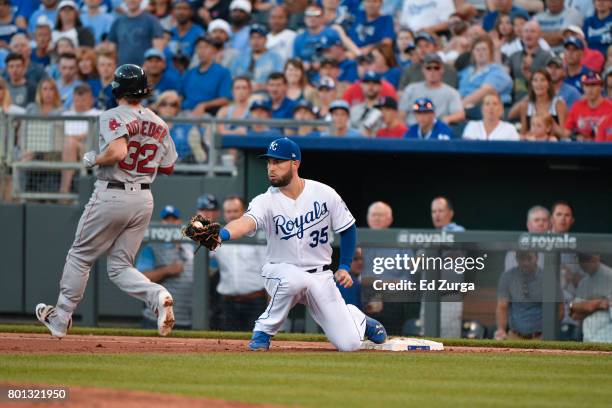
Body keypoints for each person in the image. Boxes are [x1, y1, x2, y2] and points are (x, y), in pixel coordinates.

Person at [35, 64, 179, 339]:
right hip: (144, 198)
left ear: (117, 90)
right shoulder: (159, 122)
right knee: (120, 266)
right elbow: (169, 166)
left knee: (81, 255)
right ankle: (157, 295)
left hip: (113, 192)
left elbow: (118, 151)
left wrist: (94, 159)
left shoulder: (112, 115)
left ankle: (61, 316)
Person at [211, 137, 387, 351]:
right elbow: (246, 223)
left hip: (320, 276)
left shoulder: (324, 193)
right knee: (294, 280)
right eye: (269, 162)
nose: (271, 168)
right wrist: (223, 233)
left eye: (278, 162)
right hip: (279, 270)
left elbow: (347, 228)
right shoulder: (264, 201)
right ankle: (263, 332)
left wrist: (344, 266)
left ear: (295, 164)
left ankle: (357, 318)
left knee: (349, 345)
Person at [213, 195, 267, 331]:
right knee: (227, 346)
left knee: (256, 343)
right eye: (228, 212)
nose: (232, 215)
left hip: (255, 301)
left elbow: (268, 270)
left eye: (235, 211)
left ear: (244, 212)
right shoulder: (217, 236)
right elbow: (207, 264)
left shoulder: (257, 235)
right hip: (228, 302)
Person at [136, 205, 194, 330]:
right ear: (161, 223)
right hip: (156, 318)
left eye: (174, 219)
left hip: (186, 319)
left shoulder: (190, 247)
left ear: (180, 222)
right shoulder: (151, 248)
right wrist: (167, 271)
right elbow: (141, 279)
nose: (171, 223)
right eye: (167, 219)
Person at [495, 251, 563, 340]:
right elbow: (502, 306)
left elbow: (560, 310)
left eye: (529, 258)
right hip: (514, 335)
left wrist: (549, 333)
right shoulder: (508, 277)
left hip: (541, 337)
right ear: (516, 259)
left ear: (537, 258)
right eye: (522, 258)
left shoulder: (548, 278)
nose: (525, 263)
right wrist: (501, 330)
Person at [399, 53, 464, 126]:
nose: (432, 71)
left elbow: (460, 114)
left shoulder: (451, 92)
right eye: (428, 68)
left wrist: (446, 119)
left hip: (436, 131)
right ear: (423, 70)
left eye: (436, 68)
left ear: (442, 70)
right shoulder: (411, 88)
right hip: (412, 130)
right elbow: (401, 114)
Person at [59, 83, 102, 194]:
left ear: (91, 100)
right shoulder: (66, 115)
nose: (80, 103)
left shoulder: (98, 114)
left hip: (90, 149)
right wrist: (74, 139)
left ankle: (64, 190)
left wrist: (75, 138)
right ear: (73, 99)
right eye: (77, 100)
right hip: (67, 149)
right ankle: (65, 190)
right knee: (69, 143)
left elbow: (95, 134)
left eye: (84, 100)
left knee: (70, 142)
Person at [459, 35, 513, 113]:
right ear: (473, 52)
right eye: (477, 50)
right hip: (464, 110)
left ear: (490, 52)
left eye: (484, 49)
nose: (480, 53)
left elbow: (485, 92)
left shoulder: (497, 71)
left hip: (484, 111)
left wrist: (457, 107)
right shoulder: (467, 71)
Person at [181, 35, 232, 116]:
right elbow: (180, 95)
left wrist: (204, 105)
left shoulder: (223, 72)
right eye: (199, 47)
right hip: (185, 113)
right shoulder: (189, 73)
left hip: (208, 116)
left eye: (206, 47)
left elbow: (225, 99)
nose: (202, 51)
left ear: (214, 50)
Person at [107, 0, 164, 66]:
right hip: (123, 71)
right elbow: (112, 50)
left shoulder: (151, 21)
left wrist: (148, 68)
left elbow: (158, 50)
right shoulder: (117, 22)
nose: (132, 1)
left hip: (145, 72)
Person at [571, 253, 612, 343]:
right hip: (587, 338)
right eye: (580, 259)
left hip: (607, 339)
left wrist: (587, 306)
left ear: (596, 257)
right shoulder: (583, 282)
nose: (583, 263)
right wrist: (598, 303)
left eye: (586, 259)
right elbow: (574, 313)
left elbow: (606, 306)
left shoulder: (610, 276)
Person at [230, 23, 282, 91]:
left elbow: (279, 82)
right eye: (253, 37)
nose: (256, 41)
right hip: (242, 95)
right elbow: (232, 78)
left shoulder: (275, 58)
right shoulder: (240, 57)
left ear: (266, 39)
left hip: (265, 96)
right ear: (249, 40)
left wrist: (262, 86)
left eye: (259, 37)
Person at [516, 69, 567, 138]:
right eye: (535, 80)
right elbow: (522, 134)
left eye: (543, 80)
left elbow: (563, 134)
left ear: (549, 84)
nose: (539, 84)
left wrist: (549, 120)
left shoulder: (558, 104)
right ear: (531, 84)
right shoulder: (525, 105)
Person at [564, 72, 612, 141]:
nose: (590, 89)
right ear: (583, 88)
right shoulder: (577, 106)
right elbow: (566, 131)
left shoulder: (610, 107)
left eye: (593, 85)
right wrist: (575, 137)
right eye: (587, 85)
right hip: (582, 147)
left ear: (601, 87)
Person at [504, 205, 549, 271]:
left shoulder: (559, 244)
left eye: (544, 220)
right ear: (528, 225)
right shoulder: (515, 249)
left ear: (550, 224)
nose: (541, 223)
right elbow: (511, 276)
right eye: (537, 220)